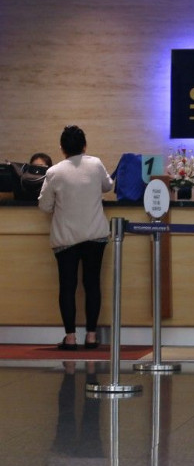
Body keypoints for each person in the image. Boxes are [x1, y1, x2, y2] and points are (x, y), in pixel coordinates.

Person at [39, 125, 114, 350]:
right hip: (95, 234)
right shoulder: (95, 164)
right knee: (92, 284)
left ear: (62, 148)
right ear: (84, 146)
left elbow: (44, 206)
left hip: (66, 238)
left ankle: (70, 338)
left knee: (67, 286)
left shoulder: (54, 172)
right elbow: (108, 186)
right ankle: (91, 335)